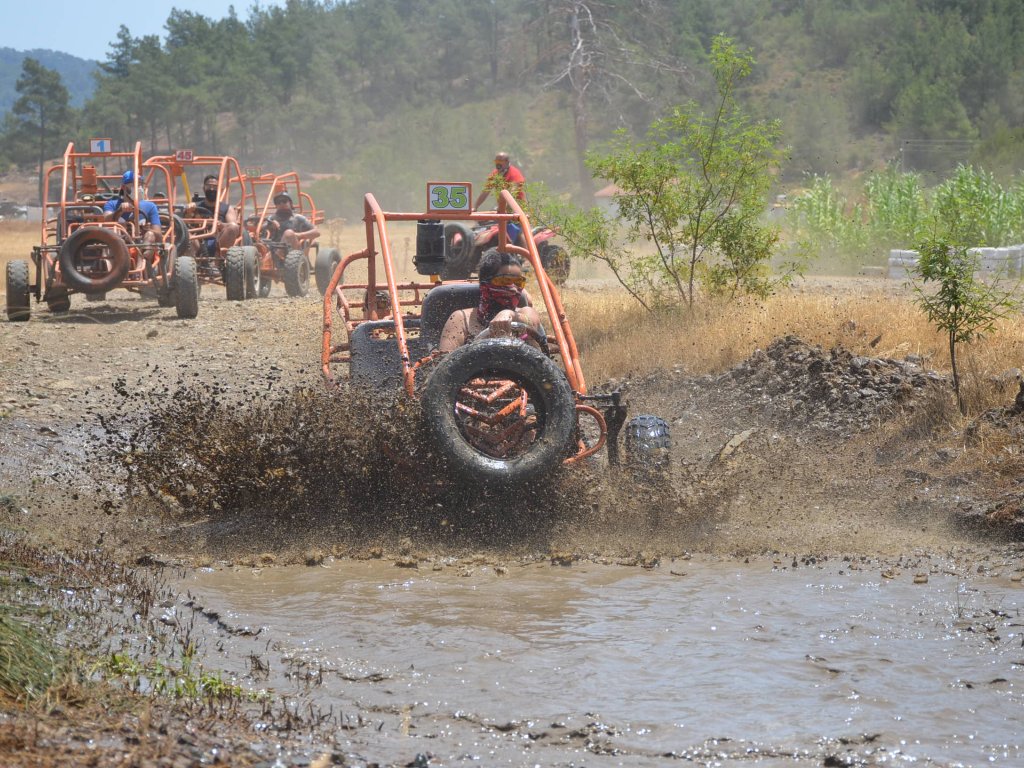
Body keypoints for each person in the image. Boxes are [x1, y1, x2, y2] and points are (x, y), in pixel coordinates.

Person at [438, 249, 543, 354]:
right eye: (504, 281)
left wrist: (510, 314)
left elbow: (531, 322)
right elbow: (444, 363)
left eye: (518, 282)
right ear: (485, 285)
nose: (514, 289)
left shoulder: (525, 312)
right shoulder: (461, 319)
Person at [103, 170, 162, 256]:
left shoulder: (150, 206)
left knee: (150, 235)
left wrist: (146, 229)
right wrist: (119, 211)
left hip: (142, 245)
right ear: (124, 187)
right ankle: (111, 264)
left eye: (140, 184)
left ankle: (142, 263)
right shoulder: (112, 204)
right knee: (115, 232)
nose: (139, 188)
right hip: (119, 246)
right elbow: (106, 220)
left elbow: (159, 236)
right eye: (134, 184)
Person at [474, 151, 526, 246]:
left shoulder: (514, 173)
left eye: (500, 161)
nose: (498, 163)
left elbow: (513, 193)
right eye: (496, 161)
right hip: (502, 208)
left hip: (516, 208)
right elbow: (486, 191)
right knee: (486, 224)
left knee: (518, 231)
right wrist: (476, 207)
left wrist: (506, 208)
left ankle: (527, 256)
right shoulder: (495, 174)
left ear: (506, 161)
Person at [184, 174, 240, 254]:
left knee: (233, 227)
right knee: (184, 232)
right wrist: (188, 211)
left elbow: (233, 227)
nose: (211, 189)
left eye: (215, 187)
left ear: (219, 189)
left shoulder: (227, 208)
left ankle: (217, 260)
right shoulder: (195, 206)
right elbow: (185, 224)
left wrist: (220, 225)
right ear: (204, 188)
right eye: (208, 186)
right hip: (197, 242)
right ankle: (192, 261)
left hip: (219, 241)